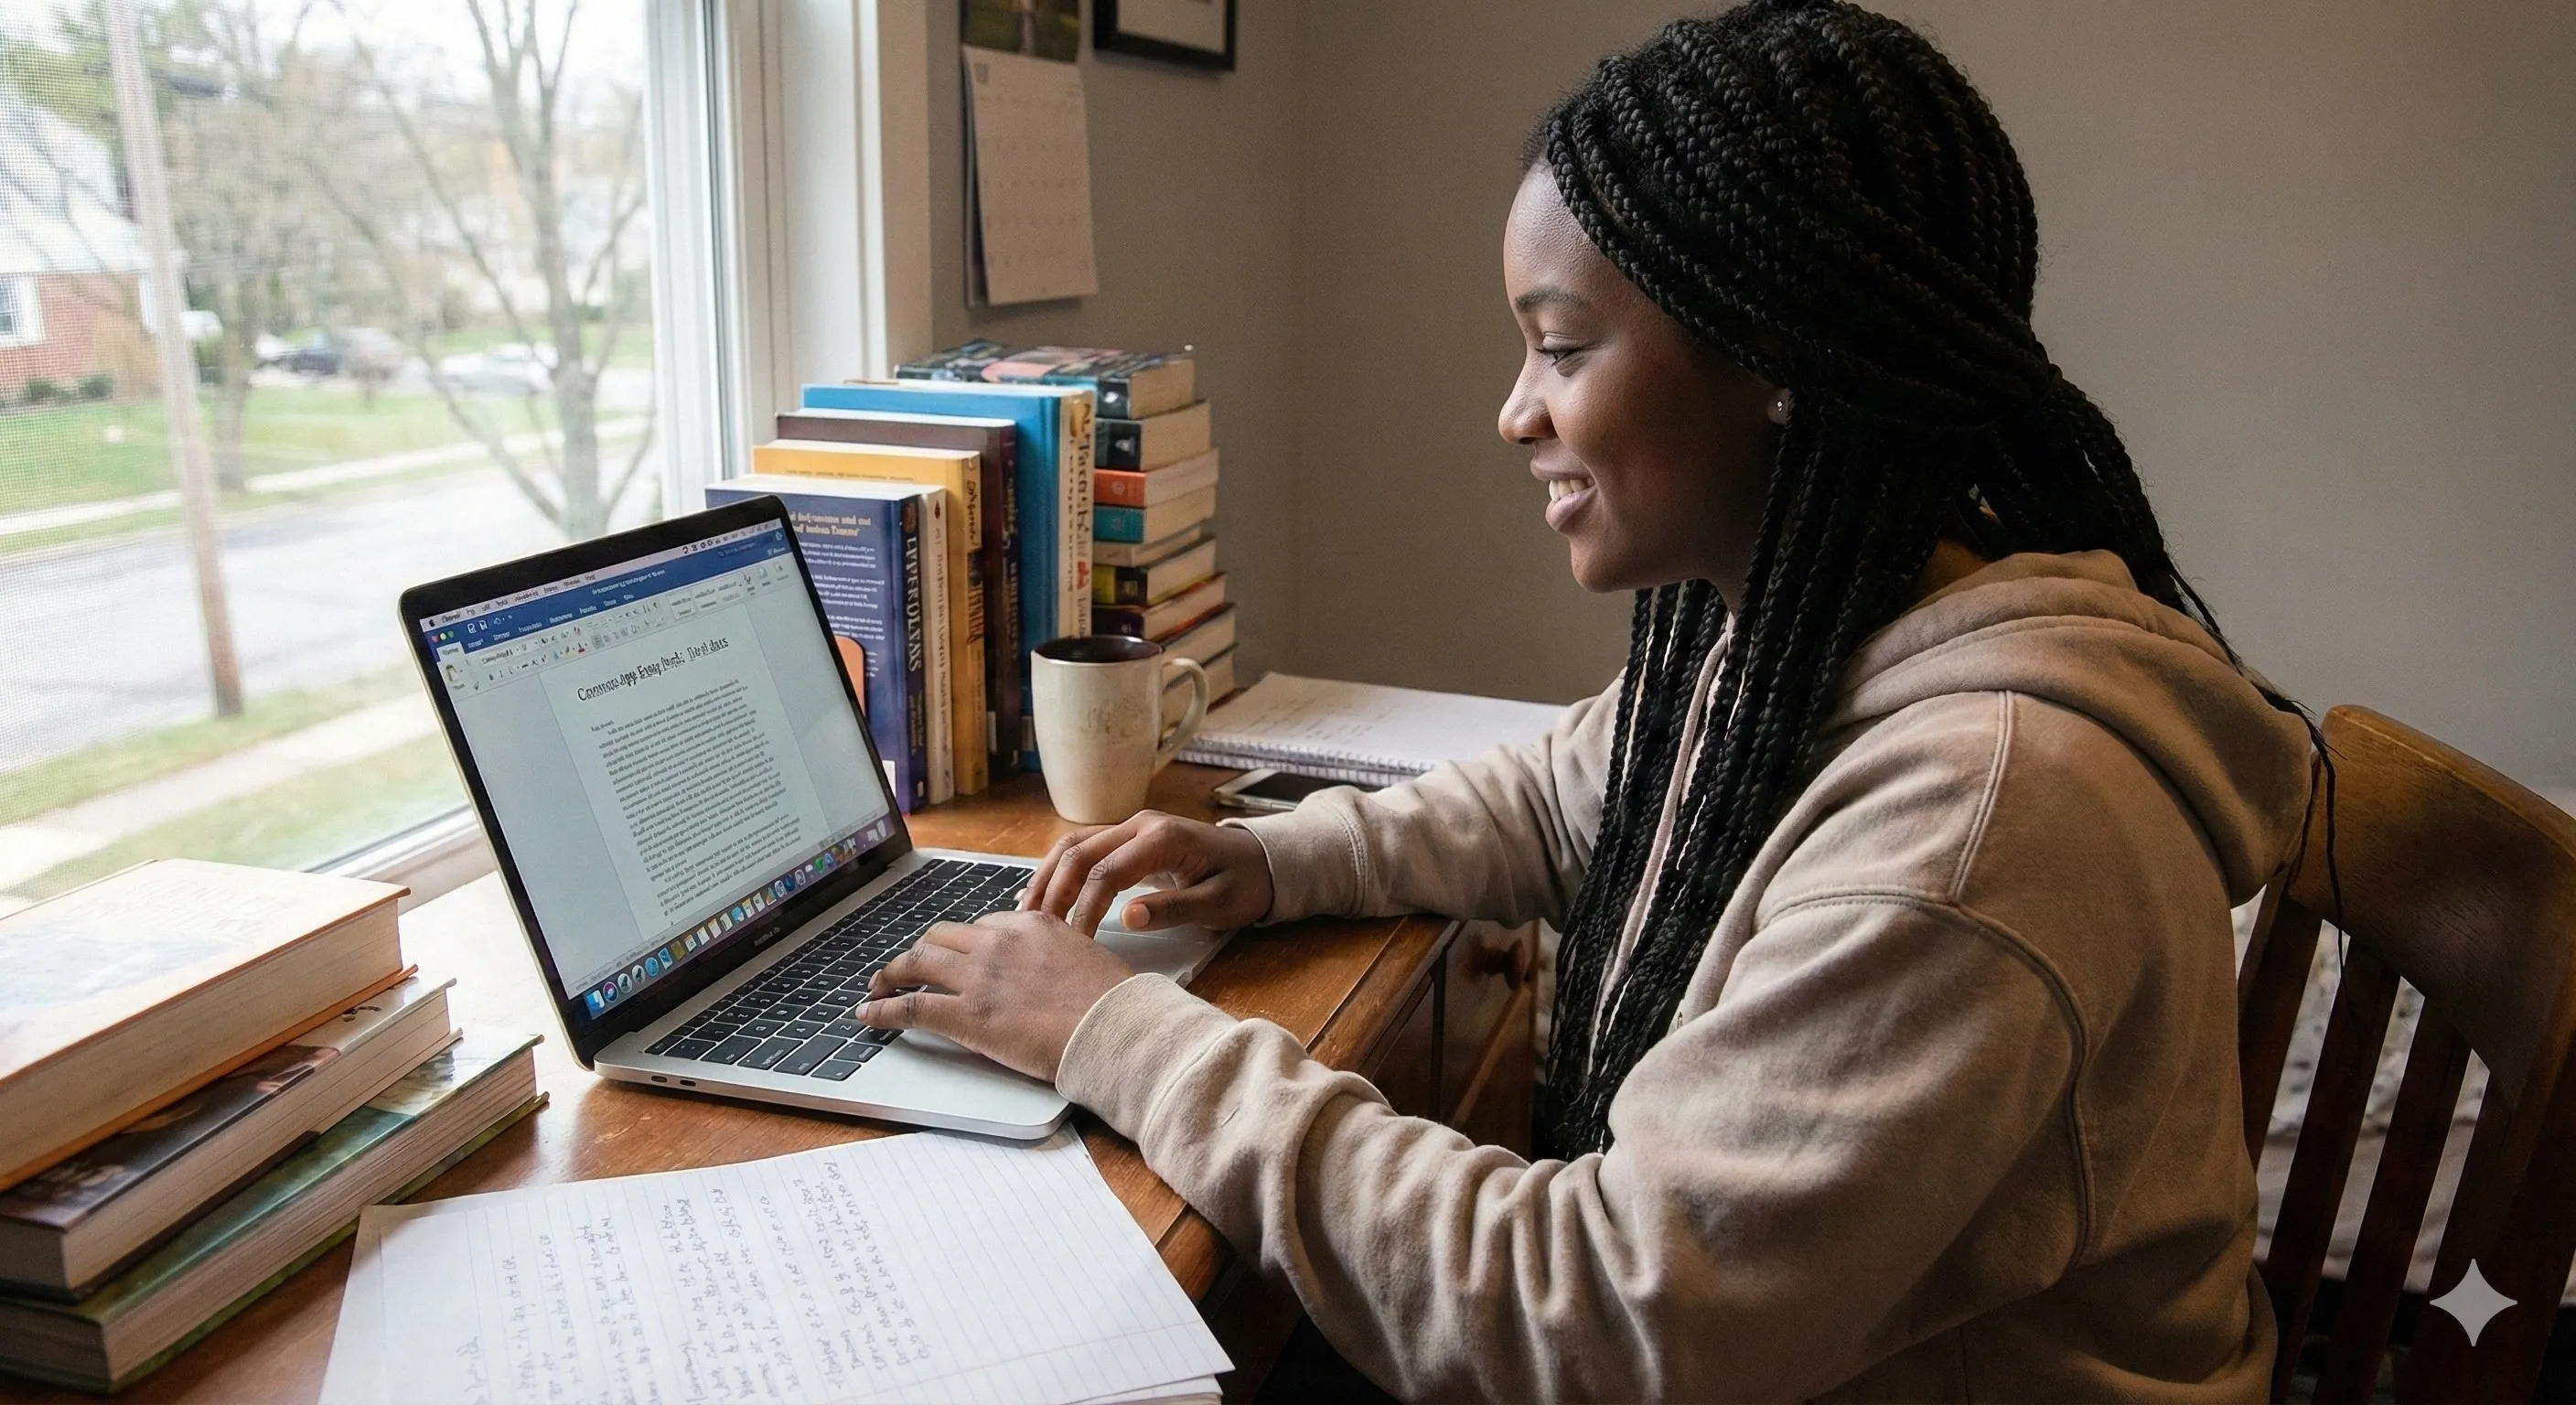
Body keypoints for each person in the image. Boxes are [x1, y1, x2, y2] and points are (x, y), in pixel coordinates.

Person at [853, 1, 2313, 1397]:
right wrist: (1270, 857)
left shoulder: (1984, 823)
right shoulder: (1805, 627)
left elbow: (1596, 1318)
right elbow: (1566, 791)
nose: (1515, 411)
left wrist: (1119, 1037)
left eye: (1560, 348)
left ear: (1781, 363)